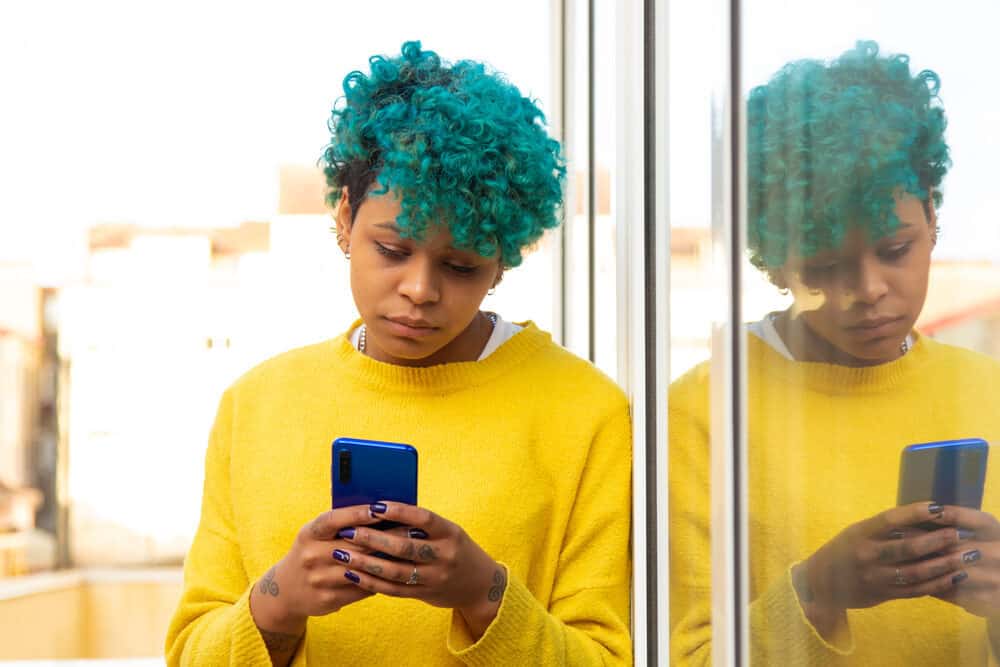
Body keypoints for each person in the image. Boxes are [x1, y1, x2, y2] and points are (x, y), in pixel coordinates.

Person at [165, 41, 632, 666]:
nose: (420, 290)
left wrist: (483, 594)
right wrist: (279, 599)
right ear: (344, 218)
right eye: (391, 250)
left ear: (501, 263)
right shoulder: (255, 405)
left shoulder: (587, 413)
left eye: (460, 265)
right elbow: (191, 654)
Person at [669, 41, 1000, 665]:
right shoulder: (701, 412)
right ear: (772, 261)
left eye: (895, 250)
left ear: (932, 216)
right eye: (826, 266)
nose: (868, 291)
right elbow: (689, 654)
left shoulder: (990, 390)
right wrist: (817, 591)